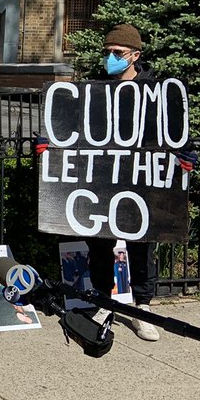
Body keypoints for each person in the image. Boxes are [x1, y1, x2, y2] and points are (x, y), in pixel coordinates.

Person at [86, 24, 161, 342]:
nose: (110, 58)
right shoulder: (97, 88)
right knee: (100, 243)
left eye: (117, 53)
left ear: (135, 55)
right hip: (106, 177)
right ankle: (104, 303)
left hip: (140, 178)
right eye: (107, 53)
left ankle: (142, 308)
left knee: (141, 244)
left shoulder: (155, 91)